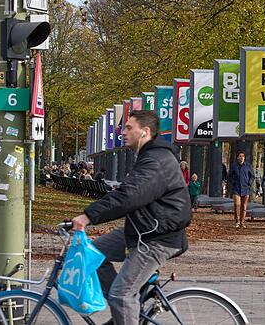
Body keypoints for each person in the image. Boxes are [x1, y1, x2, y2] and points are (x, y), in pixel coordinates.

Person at [70, 110, 192, 325]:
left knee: (121, 295)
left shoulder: (155, 161)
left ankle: (125, 305)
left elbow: (129, 196)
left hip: (157, 238)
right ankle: (125, 313)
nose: (122, 132)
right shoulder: (147, 156)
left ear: (144, 132)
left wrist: (89, 215)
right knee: (92, 256)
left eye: (128, 128)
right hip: (142, 230)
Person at [228, 151, 254, 228]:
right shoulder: (234, 166)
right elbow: (229, 176)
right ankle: (237, 220)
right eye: (240, 156)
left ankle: (242, 222)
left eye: (243, 156)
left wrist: (249, 183)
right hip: (236, 188)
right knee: (237, 204)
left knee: (244, 206)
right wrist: (233, 183)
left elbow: (252, 176)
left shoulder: (248, 166)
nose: (242, 157)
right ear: (237, 157)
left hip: (245, 189)